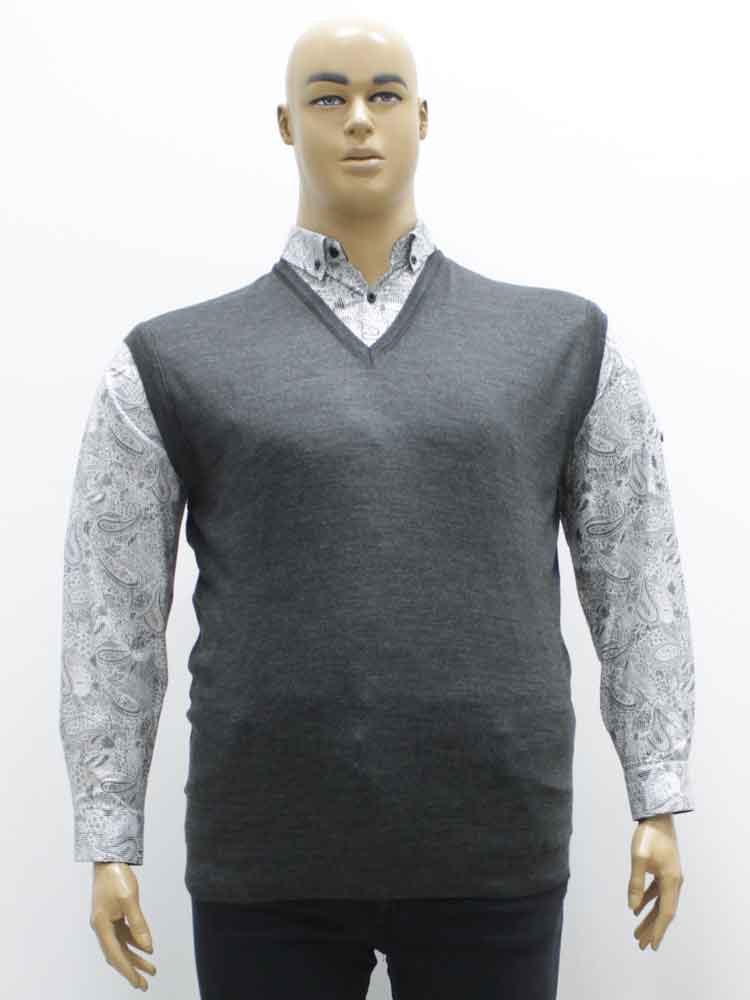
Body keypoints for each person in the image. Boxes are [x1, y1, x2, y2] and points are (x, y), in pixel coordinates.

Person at [60, 14, 696, 999]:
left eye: (383, 95)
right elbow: (111, 612)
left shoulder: (564, 345)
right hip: (266, 857)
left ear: (422, 117)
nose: (359, 118)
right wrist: (109, 834)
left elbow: (637, 577)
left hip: (494, 845)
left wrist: (659, 793)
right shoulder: (170, 362)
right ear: (286, 123)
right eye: (328, 96)